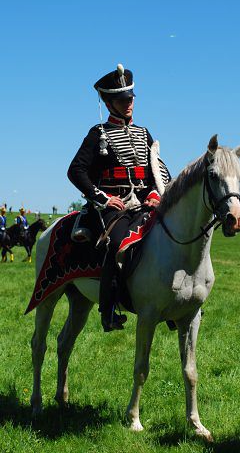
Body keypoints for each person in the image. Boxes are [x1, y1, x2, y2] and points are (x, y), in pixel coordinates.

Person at [68, 64, 170, 332]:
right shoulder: (97, 134)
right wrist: (102, 197)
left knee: (173, 235)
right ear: (108, 102)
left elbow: (158, 171)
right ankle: (108, 309)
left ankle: (175, 303)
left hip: (145, 204)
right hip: (114, 208)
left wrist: (154, 195)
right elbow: (76, 171)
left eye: (131, 98)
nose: (129, 103)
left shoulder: (144, 133)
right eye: (122, 99)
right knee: (116, 244)